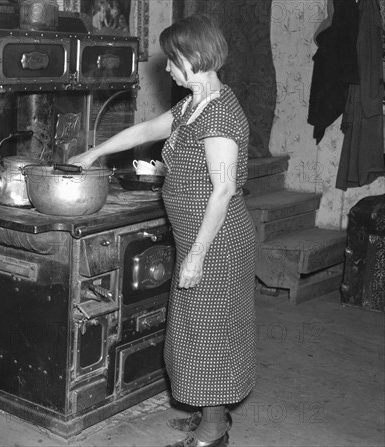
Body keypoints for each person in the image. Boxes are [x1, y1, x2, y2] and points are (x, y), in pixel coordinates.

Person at [68, 14, 256, 447]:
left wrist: (196, 256)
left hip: (218, 242)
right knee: (199, 332)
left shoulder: (220, 115)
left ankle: (213, 432)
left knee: (209, 336)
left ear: (193, 58)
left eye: (172, 61)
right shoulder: (195, 104)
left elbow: (224, 188)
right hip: (199, 236)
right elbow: (145, 130)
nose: (167, 69)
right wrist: (93, 154)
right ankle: (215, 414)